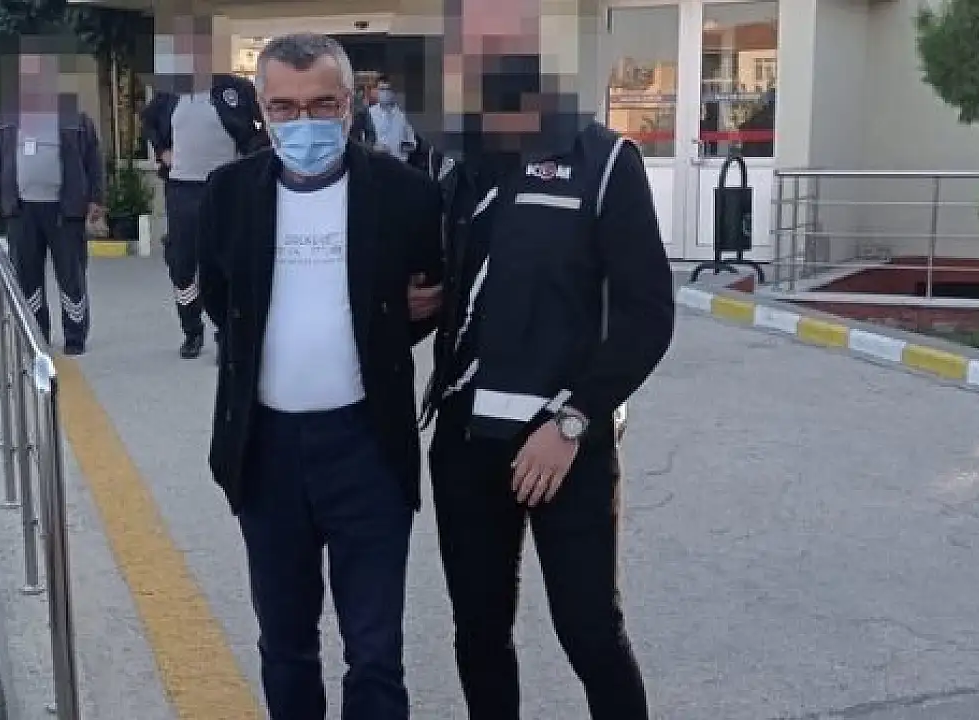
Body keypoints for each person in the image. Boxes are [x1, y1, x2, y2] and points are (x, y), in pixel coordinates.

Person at [415, 0, 676, 716]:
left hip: (563, 442)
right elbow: (455, 290)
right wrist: (418, 304)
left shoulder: (605, 160)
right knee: (479, 633)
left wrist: (573, 422)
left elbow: (647, 316)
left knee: (590, 633)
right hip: (465, 442)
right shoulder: (451, 162)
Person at [196, 32, 443, 720]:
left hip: (368, 448)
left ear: (349, 104)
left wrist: (390, 319)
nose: (303, 122)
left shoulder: (405, 194)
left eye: (322, 105)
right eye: (285, 107)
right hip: (266, 451)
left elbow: (426, 297)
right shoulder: (228, 194)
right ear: (263, 111)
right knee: (285, 645)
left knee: (375, 651)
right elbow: (221, 300)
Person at [141, 14, 267, 360]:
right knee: (182, 264)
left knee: (228, 261)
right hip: (183, 191)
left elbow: (261, 128)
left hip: (226, 190)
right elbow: (148, 123)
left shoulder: (233, 90)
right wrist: (162, 151)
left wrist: (248, 160)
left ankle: (227, 332)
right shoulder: (168, 94)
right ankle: (192, 331)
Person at [0, 47, 104, 355]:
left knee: (71, 276)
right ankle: (36, 335)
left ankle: (75, 336)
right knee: (27, 276)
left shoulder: (75, 117)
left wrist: (96, 199)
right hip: (21, 210)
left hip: (65, 211)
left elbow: (93, 160)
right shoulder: (5, 118)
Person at [368, 77, 417, 161]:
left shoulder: (403, 115)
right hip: (377, 162)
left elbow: (412, 142)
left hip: (399, 162)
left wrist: (401, 147)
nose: (385, 93)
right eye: (382, 89)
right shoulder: (369, 113)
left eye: (388, 89)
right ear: (376, 91)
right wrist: (373, 147)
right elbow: (362, 141)